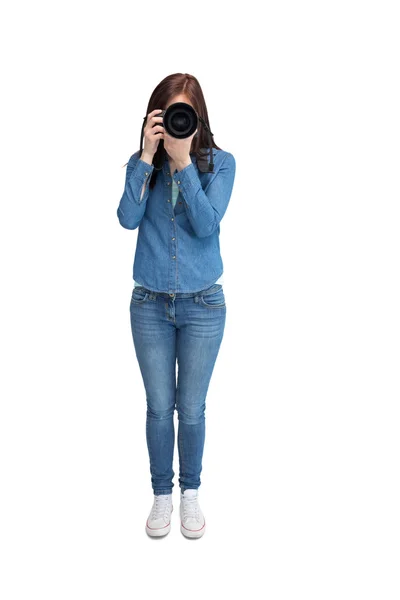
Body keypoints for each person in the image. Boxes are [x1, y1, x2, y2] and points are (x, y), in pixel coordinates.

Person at [117, 73, 236, 538]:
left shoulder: (221, 164)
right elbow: (127, 219)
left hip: (204, 304)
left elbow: (207, 225)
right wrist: (148, 157)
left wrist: (185, 164)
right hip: (148, 303)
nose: (178, 122)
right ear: (155, 119)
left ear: (199, 118)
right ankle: (161, 496)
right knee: (157, 405)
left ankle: (191, 494)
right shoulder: (140, 163)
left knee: (191, 408)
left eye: (185, 114)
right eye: (169, 114)